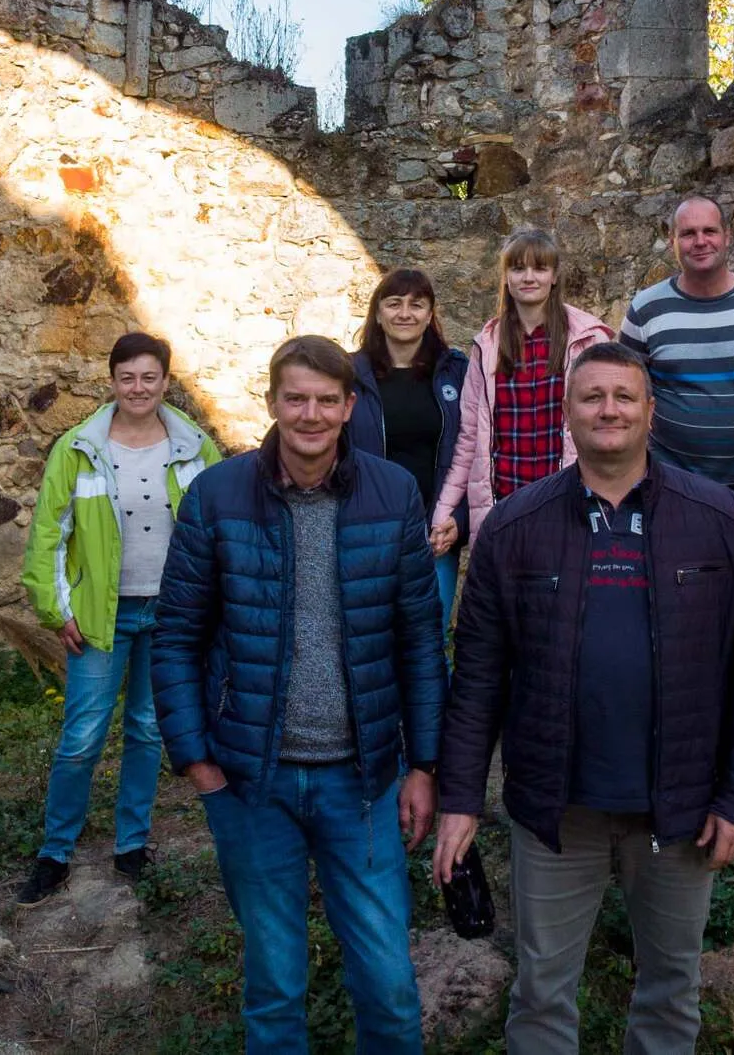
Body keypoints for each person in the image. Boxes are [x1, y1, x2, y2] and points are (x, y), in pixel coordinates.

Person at [433, 341, 734, 1054]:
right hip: (556, 810)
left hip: (680, 809)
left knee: (669, 994)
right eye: (592, 396)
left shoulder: (718, 520)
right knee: (540, 994)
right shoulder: (513, 528)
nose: (609, 409)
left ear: (651, 411)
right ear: (568, 413)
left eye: (624, 396)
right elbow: (476, 675)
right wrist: (461, 798)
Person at [153, 335, 445, 1055]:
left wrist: (424, 764)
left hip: (366, 781)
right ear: (273, 403)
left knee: (389, 983)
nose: (310, 414)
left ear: (350, 406)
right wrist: (197, 760)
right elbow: (176, 635)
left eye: (325, 399)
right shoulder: (217, 495)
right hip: (254, 781)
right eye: (296, 398)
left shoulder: (394, 491)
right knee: (275, 985)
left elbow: (419, 640)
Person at [14, 332, 222, 908]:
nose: (138, 388)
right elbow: (49, 535)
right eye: (127, 377)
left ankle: (131, 845)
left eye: (149, 377)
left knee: (149, 730)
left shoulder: (194, 446)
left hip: (172, 614)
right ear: (112, 381)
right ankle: (55, 852)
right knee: (82, 737)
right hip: (101, 617)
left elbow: (217, 530)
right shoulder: (79, 448)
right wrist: (56, 608)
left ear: (165, 381)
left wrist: (210, 606)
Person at [619, 195, 734, 562]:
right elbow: (631, 392)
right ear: (673, 241)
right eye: (688, 233)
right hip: (673, 486)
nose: (700, 241)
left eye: (709, 230)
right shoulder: (645, 311)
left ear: (727, 236)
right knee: (678, 595)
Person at [429, 227, 613, 555]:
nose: (529, 277)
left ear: (554, 276)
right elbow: (469, 439)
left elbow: (609, 428)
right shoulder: (487, 346)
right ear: (506, 276)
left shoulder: (588, 340)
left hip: (567, 504)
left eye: (539, 268)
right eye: (518, 268)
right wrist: (445, 510)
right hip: (505, 508)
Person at [347, 267, 470, 631]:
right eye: (394, 303)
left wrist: (458, 520)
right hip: (367, 534)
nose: (405, 313)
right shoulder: (350, 374)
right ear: (378, 313)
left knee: (429, 644)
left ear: (430, 315)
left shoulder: (457, 372)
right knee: (370, 643)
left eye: (417, 305)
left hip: (434, 535)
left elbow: (475, 452)